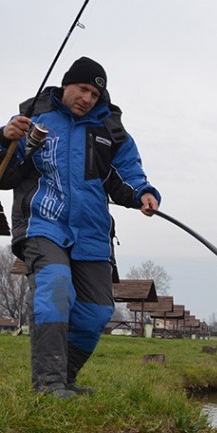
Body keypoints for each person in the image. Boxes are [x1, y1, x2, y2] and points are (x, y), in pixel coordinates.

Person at [0, 56, 160, 398]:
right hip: (43, 224)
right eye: (82, 89)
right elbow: (6, 175)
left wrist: (143, 193)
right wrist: (4, 137)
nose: (87, 98)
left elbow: (126, 174)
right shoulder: (34, 118)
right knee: (55, 289)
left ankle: (65, 379)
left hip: (91, 232)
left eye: (94, 94)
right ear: (66, 84)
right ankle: (48, 384)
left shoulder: (110, 130)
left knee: (97, 312)